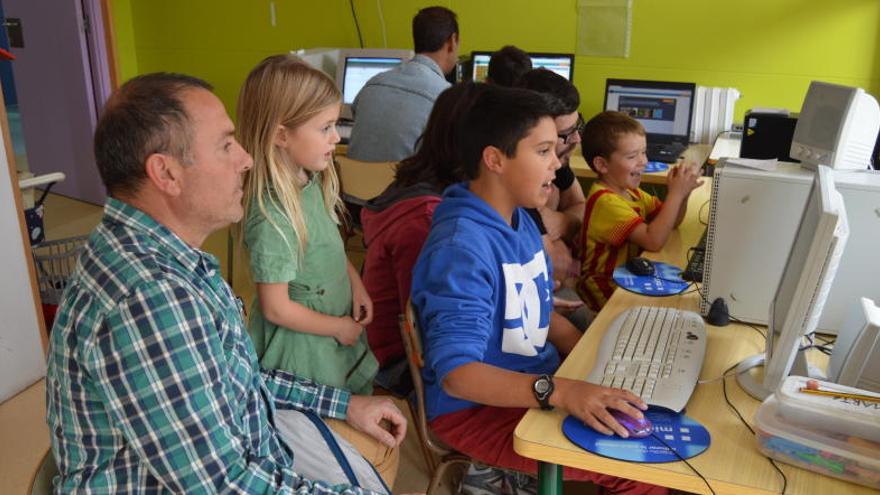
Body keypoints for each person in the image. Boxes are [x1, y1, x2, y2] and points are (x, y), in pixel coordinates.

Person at [45, 72, 406, 494]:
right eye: (226, 145)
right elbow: (225, 485)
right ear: (166, 173)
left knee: (374, 454)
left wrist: (345, 404)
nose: (247, 159)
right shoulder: (150, 299)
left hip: (244, 449)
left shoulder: (171, 258)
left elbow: (240, 378)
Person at [411, 86, 667, 495]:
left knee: (654, 422)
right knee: (643, 468)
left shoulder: (518, 220)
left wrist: (594, 360)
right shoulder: (461, 248)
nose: (557, 165)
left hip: (533, 382)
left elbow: (533, 312)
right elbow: (458, 376)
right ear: (494, 159)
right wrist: (562, 390)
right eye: (544, 151)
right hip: (477, 409)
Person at [360, 82, 486, 393]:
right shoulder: (428, 220)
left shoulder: (432, 189)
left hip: (419, 350)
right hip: (399, 363)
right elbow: (428, 326)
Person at [576, 111, 702, 312]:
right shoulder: (605, 202)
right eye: (632, 156)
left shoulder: (631, 191)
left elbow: (671, 222)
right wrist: (675, 195)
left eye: (643, 152)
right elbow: (653, 240)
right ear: (602, 164)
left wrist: (683, 193)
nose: (643, 161)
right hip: (604, 293)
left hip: (627, 279)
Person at [517, 68, 591, 328]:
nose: (577, 139)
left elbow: (584, 207)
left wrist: (562, 222)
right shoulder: (519, 187)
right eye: (567, 134)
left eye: (578, 125)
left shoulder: (558, 162)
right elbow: (558, 268)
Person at [347, 6, 459, 162]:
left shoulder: (372, 84)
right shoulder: (446, 98)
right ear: (452, 42)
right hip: (404, 184)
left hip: (356, 185)